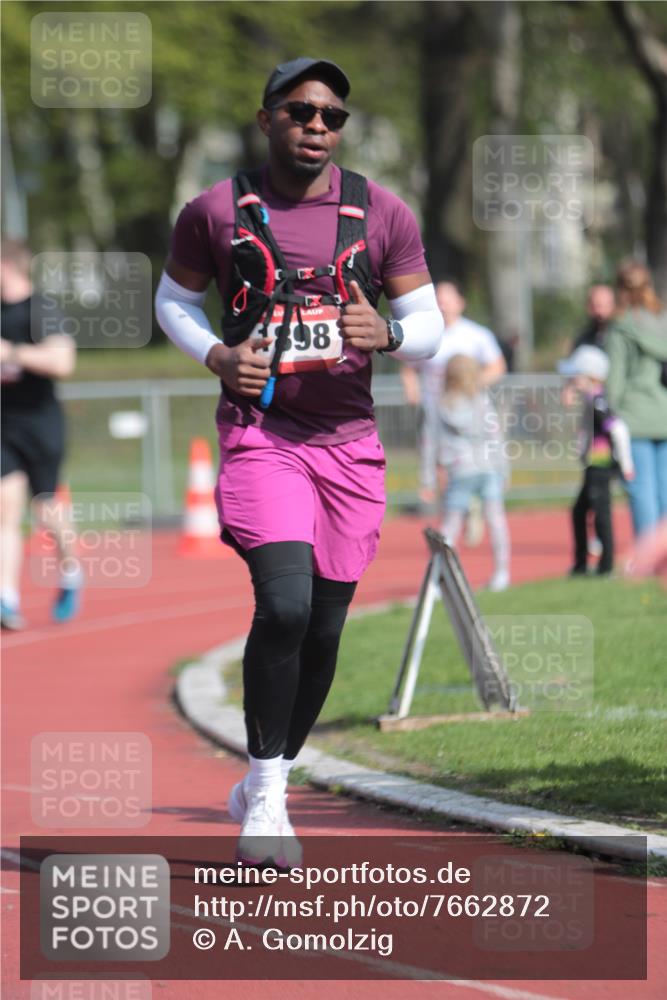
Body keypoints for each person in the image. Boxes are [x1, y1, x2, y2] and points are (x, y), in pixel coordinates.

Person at [154, 57, 443, 868]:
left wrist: (384, 334)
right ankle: (270, 800)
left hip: (349, 448)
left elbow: (426, 327)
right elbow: (172, 301)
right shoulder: (213, 210)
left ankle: (265, 777)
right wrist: (216, 354)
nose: (317, 125)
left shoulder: (382, 212)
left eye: (331, 115)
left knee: (322, 626)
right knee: (282, 606)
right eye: (300, 110)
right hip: (263, 437)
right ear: (266, 119)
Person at [1, 239, 81, 629]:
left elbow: (63, 361)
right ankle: (6, 598)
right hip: (3, 424)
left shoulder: (40, 309)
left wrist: (12, 354)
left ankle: (70, 573)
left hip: (40, 422)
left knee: (46, 509)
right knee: (5, 507)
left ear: (8, 267)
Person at [400, 280, 506, 506]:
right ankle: (452, 504)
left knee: (467, 458)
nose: (443, 305)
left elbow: (497, 367)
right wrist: (411, 388)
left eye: (447, 300)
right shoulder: (426, 335)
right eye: (438, 300)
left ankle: (469, 503)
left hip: (468, 411)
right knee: (438, 458)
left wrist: (468, 384)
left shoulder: (476, 335)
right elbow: (409, 368)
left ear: (460, 303)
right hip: (435, 410)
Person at [433, 354, 510, 591]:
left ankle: (439, 579)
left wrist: (437, 469)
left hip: (461, 468)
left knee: (450, 525)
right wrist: (504, 468)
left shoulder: (443, 404)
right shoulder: (483, 401)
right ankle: (502, 573)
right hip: (488, 467)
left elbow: (438, 441)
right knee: (496, 520)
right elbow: (495, 435)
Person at [558, 345, 634, 576]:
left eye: (576, 376)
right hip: (592, 465)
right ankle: (581, 563)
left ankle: (606, 566)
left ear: (589, 376)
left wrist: (626, 464)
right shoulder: (589, 401)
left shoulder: (597, 402)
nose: (571, 381)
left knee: (601, 514)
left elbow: (618, 430)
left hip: (600, 467)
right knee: (579, 512)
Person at [605, 260, 667, 538]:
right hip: (663, 412)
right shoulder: (662, 320)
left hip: (634, 417)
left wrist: (608, 413)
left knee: (641, 489)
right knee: (665, 488)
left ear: (620, 288)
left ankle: (649, 557)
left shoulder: (621, 327)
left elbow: (615, 379)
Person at [569, 283, 616, 352]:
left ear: (613, 306)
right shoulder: (583, 339)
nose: (599, 312)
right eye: (595, 306)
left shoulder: (621, 337)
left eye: (604, 306)